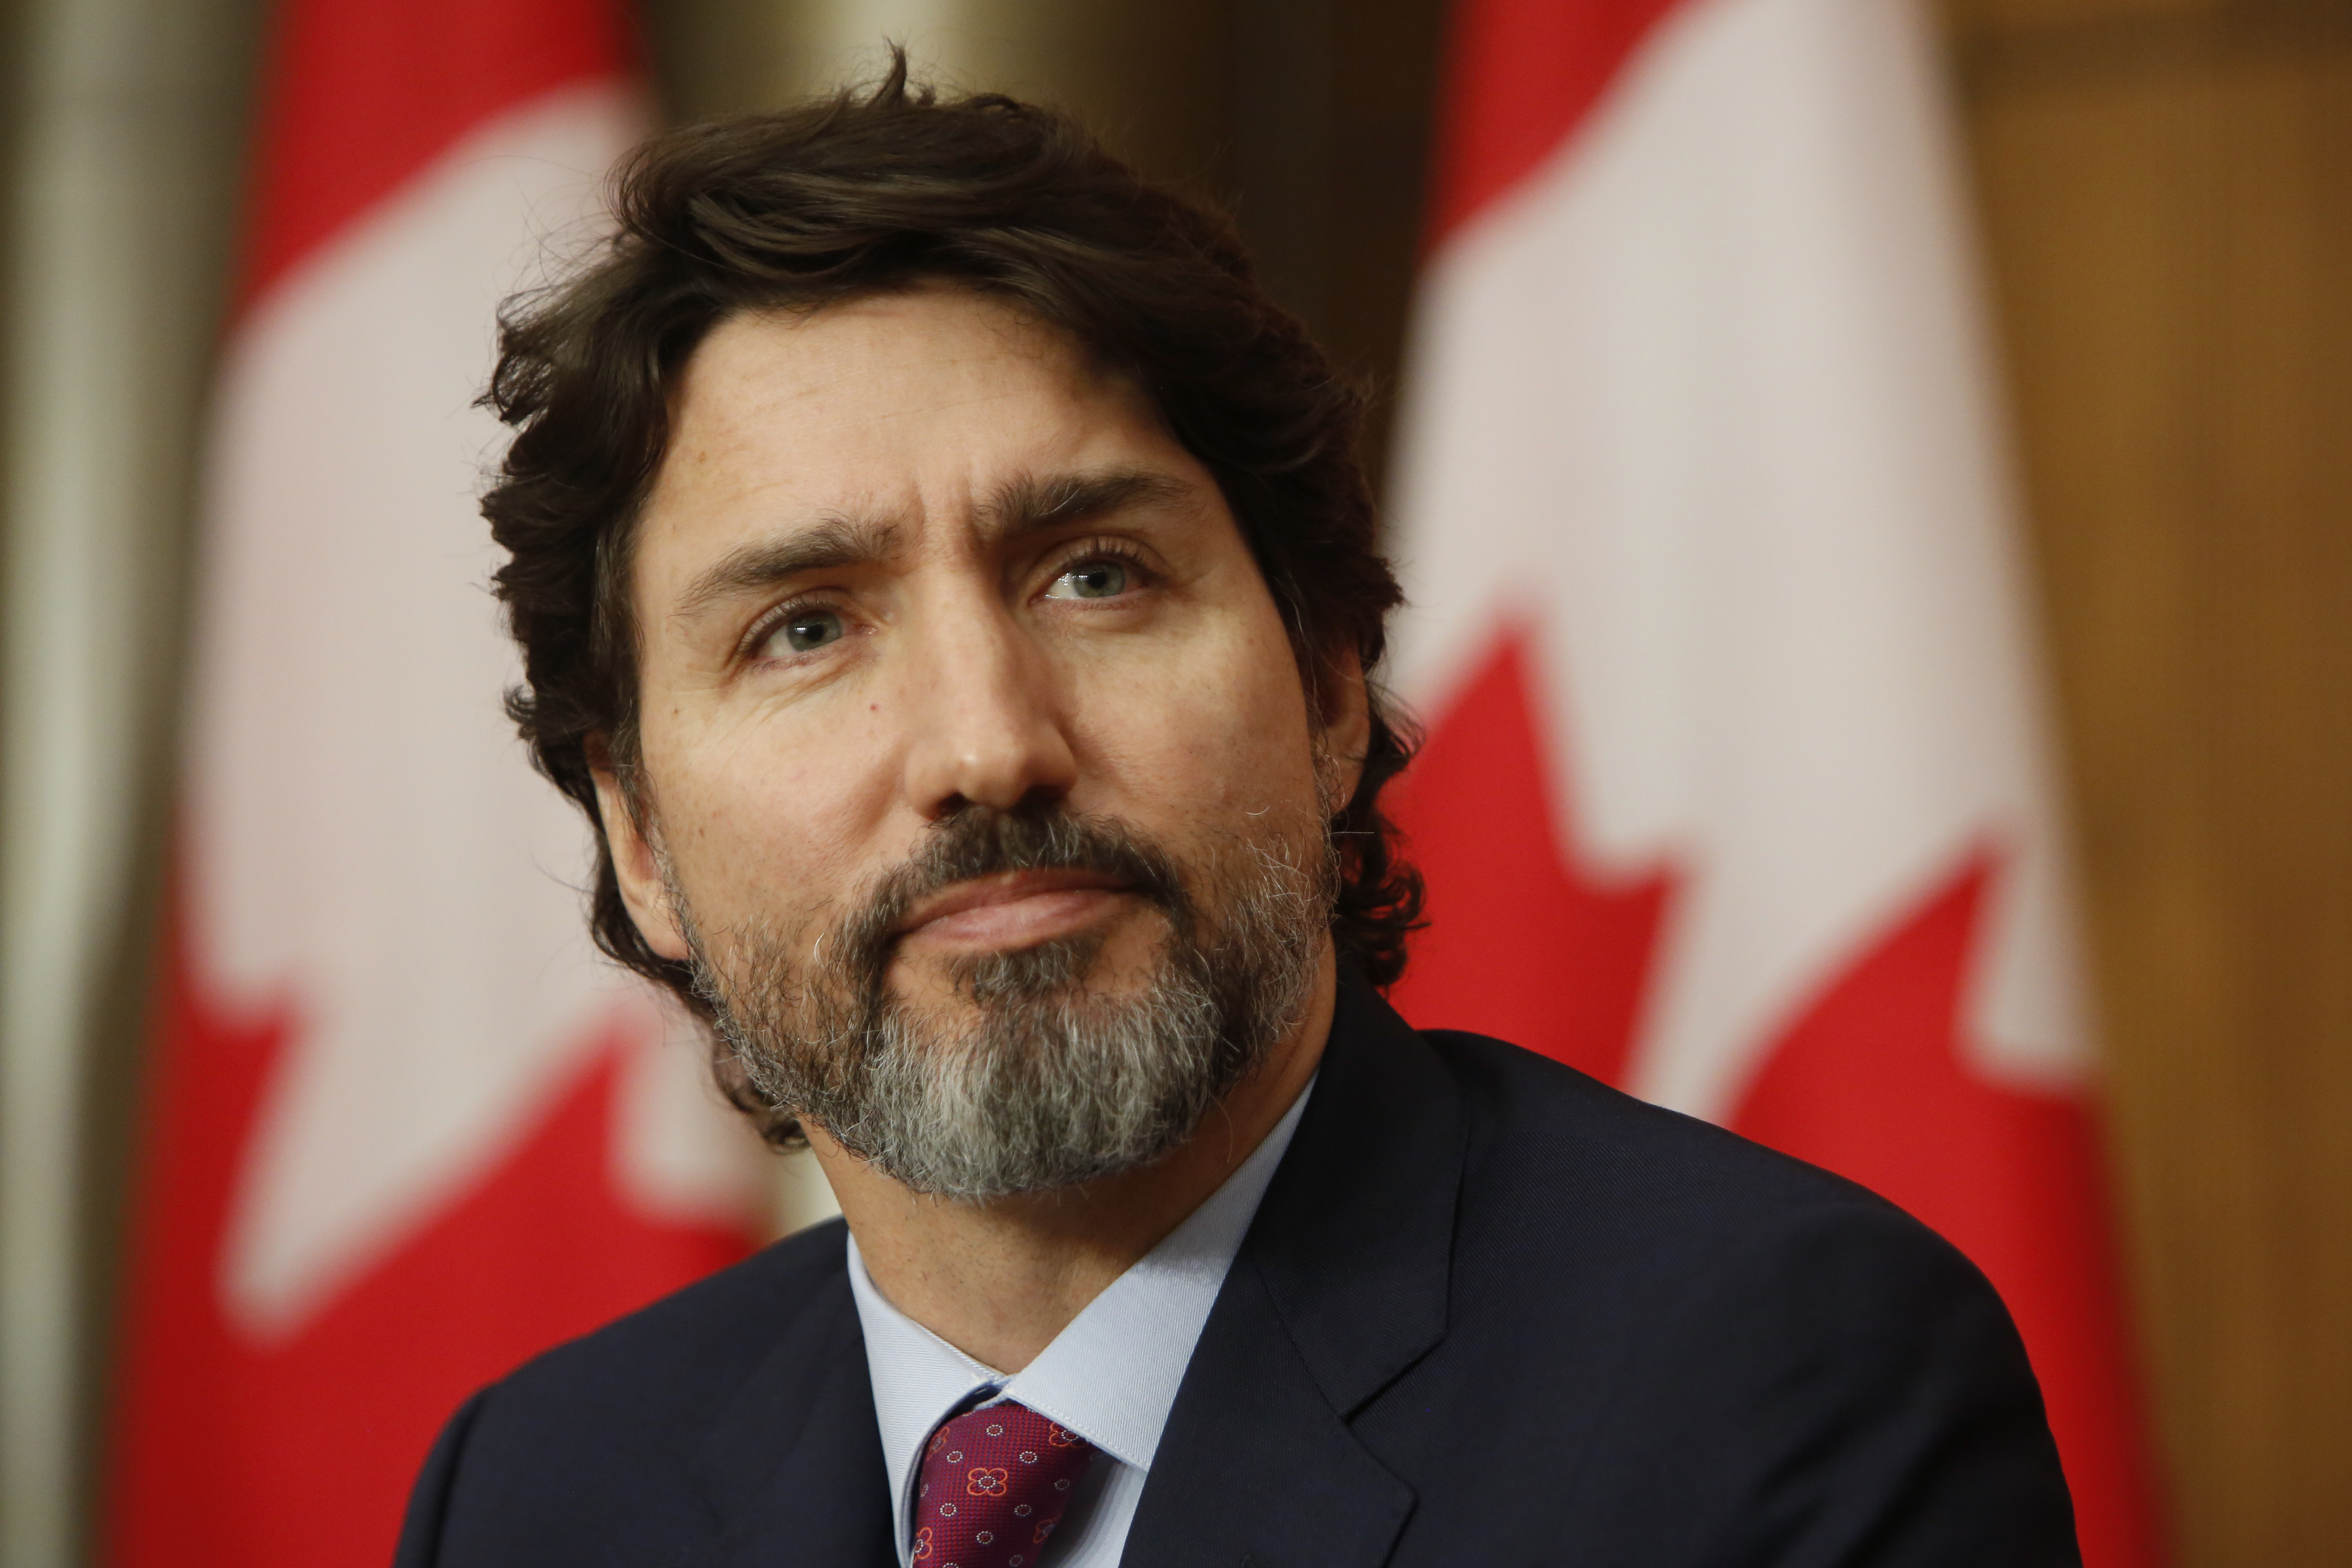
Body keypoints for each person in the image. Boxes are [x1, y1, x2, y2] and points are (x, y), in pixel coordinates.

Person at [393, 59, 2079, 1568]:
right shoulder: (540, 1492)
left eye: (1096, 573)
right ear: (639, 836)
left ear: (1333, 685)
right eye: (807, 627)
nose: (988, 744)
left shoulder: (1771, 1385)